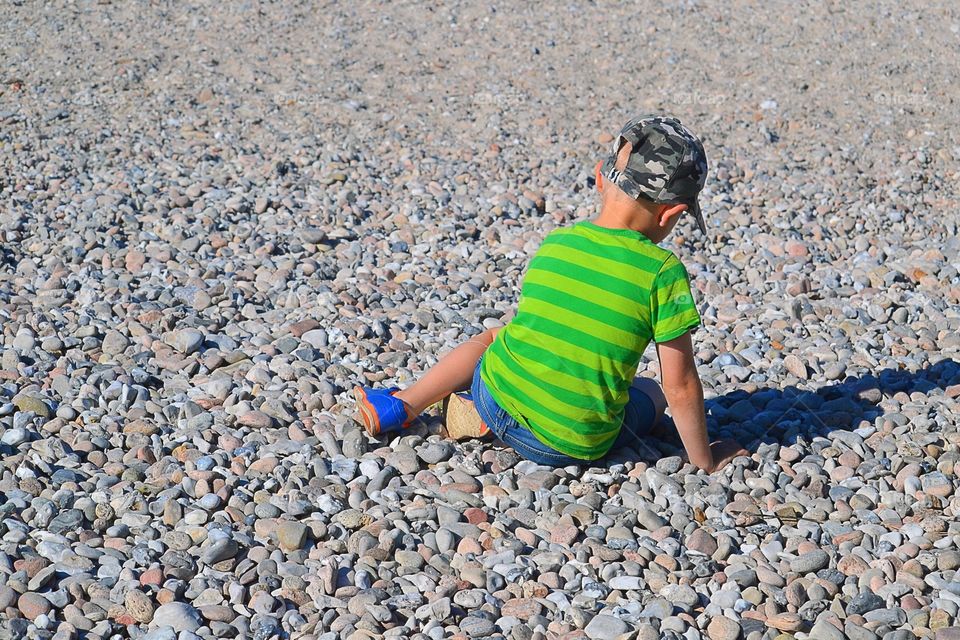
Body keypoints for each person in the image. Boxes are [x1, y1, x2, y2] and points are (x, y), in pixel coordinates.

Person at [354, 115, 747, 473]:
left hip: (494, 393)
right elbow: (680, 385)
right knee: (652, 392)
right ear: (671, 214)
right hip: (564, 447)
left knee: (495, 337)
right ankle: (501, 418)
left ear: (600, 178)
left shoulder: (557, 242)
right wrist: (705, 460)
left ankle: (404, 404)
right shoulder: (663, 273)